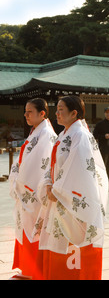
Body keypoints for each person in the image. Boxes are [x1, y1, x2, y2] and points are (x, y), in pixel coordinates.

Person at [33, 95, 108, 280]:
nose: (57, 113)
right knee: (60, 245)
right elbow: (53, 165)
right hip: (59, 196)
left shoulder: (80, 135)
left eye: (61, 109)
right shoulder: (65, 134)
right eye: (56, 109)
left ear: (74, 113)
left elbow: (79, 169)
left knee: (72, 248)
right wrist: (49, 184)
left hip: (68, 199)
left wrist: (56, 189)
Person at [9, 99, 57, 280]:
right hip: (27, 188)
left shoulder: (46, 135)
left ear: (42, 113)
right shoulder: (37, 132)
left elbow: (40, 166)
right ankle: (28, 269)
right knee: (28, 230)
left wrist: (20, 182)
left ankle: (34, 270)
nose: (26, 114)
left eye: (30, 111)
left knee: (34, 230)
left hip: (33, 191)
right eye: (25, 111)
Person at [93, 107, 109, 192]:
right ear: (104, 113)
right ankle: (100, 185)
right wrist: (104, 136)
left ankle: (108, 184)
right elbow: (95, 135)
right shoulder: (100, 124)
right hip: (103, 148)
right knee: (101, 167)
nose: (108, 114)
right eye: (106, 112)